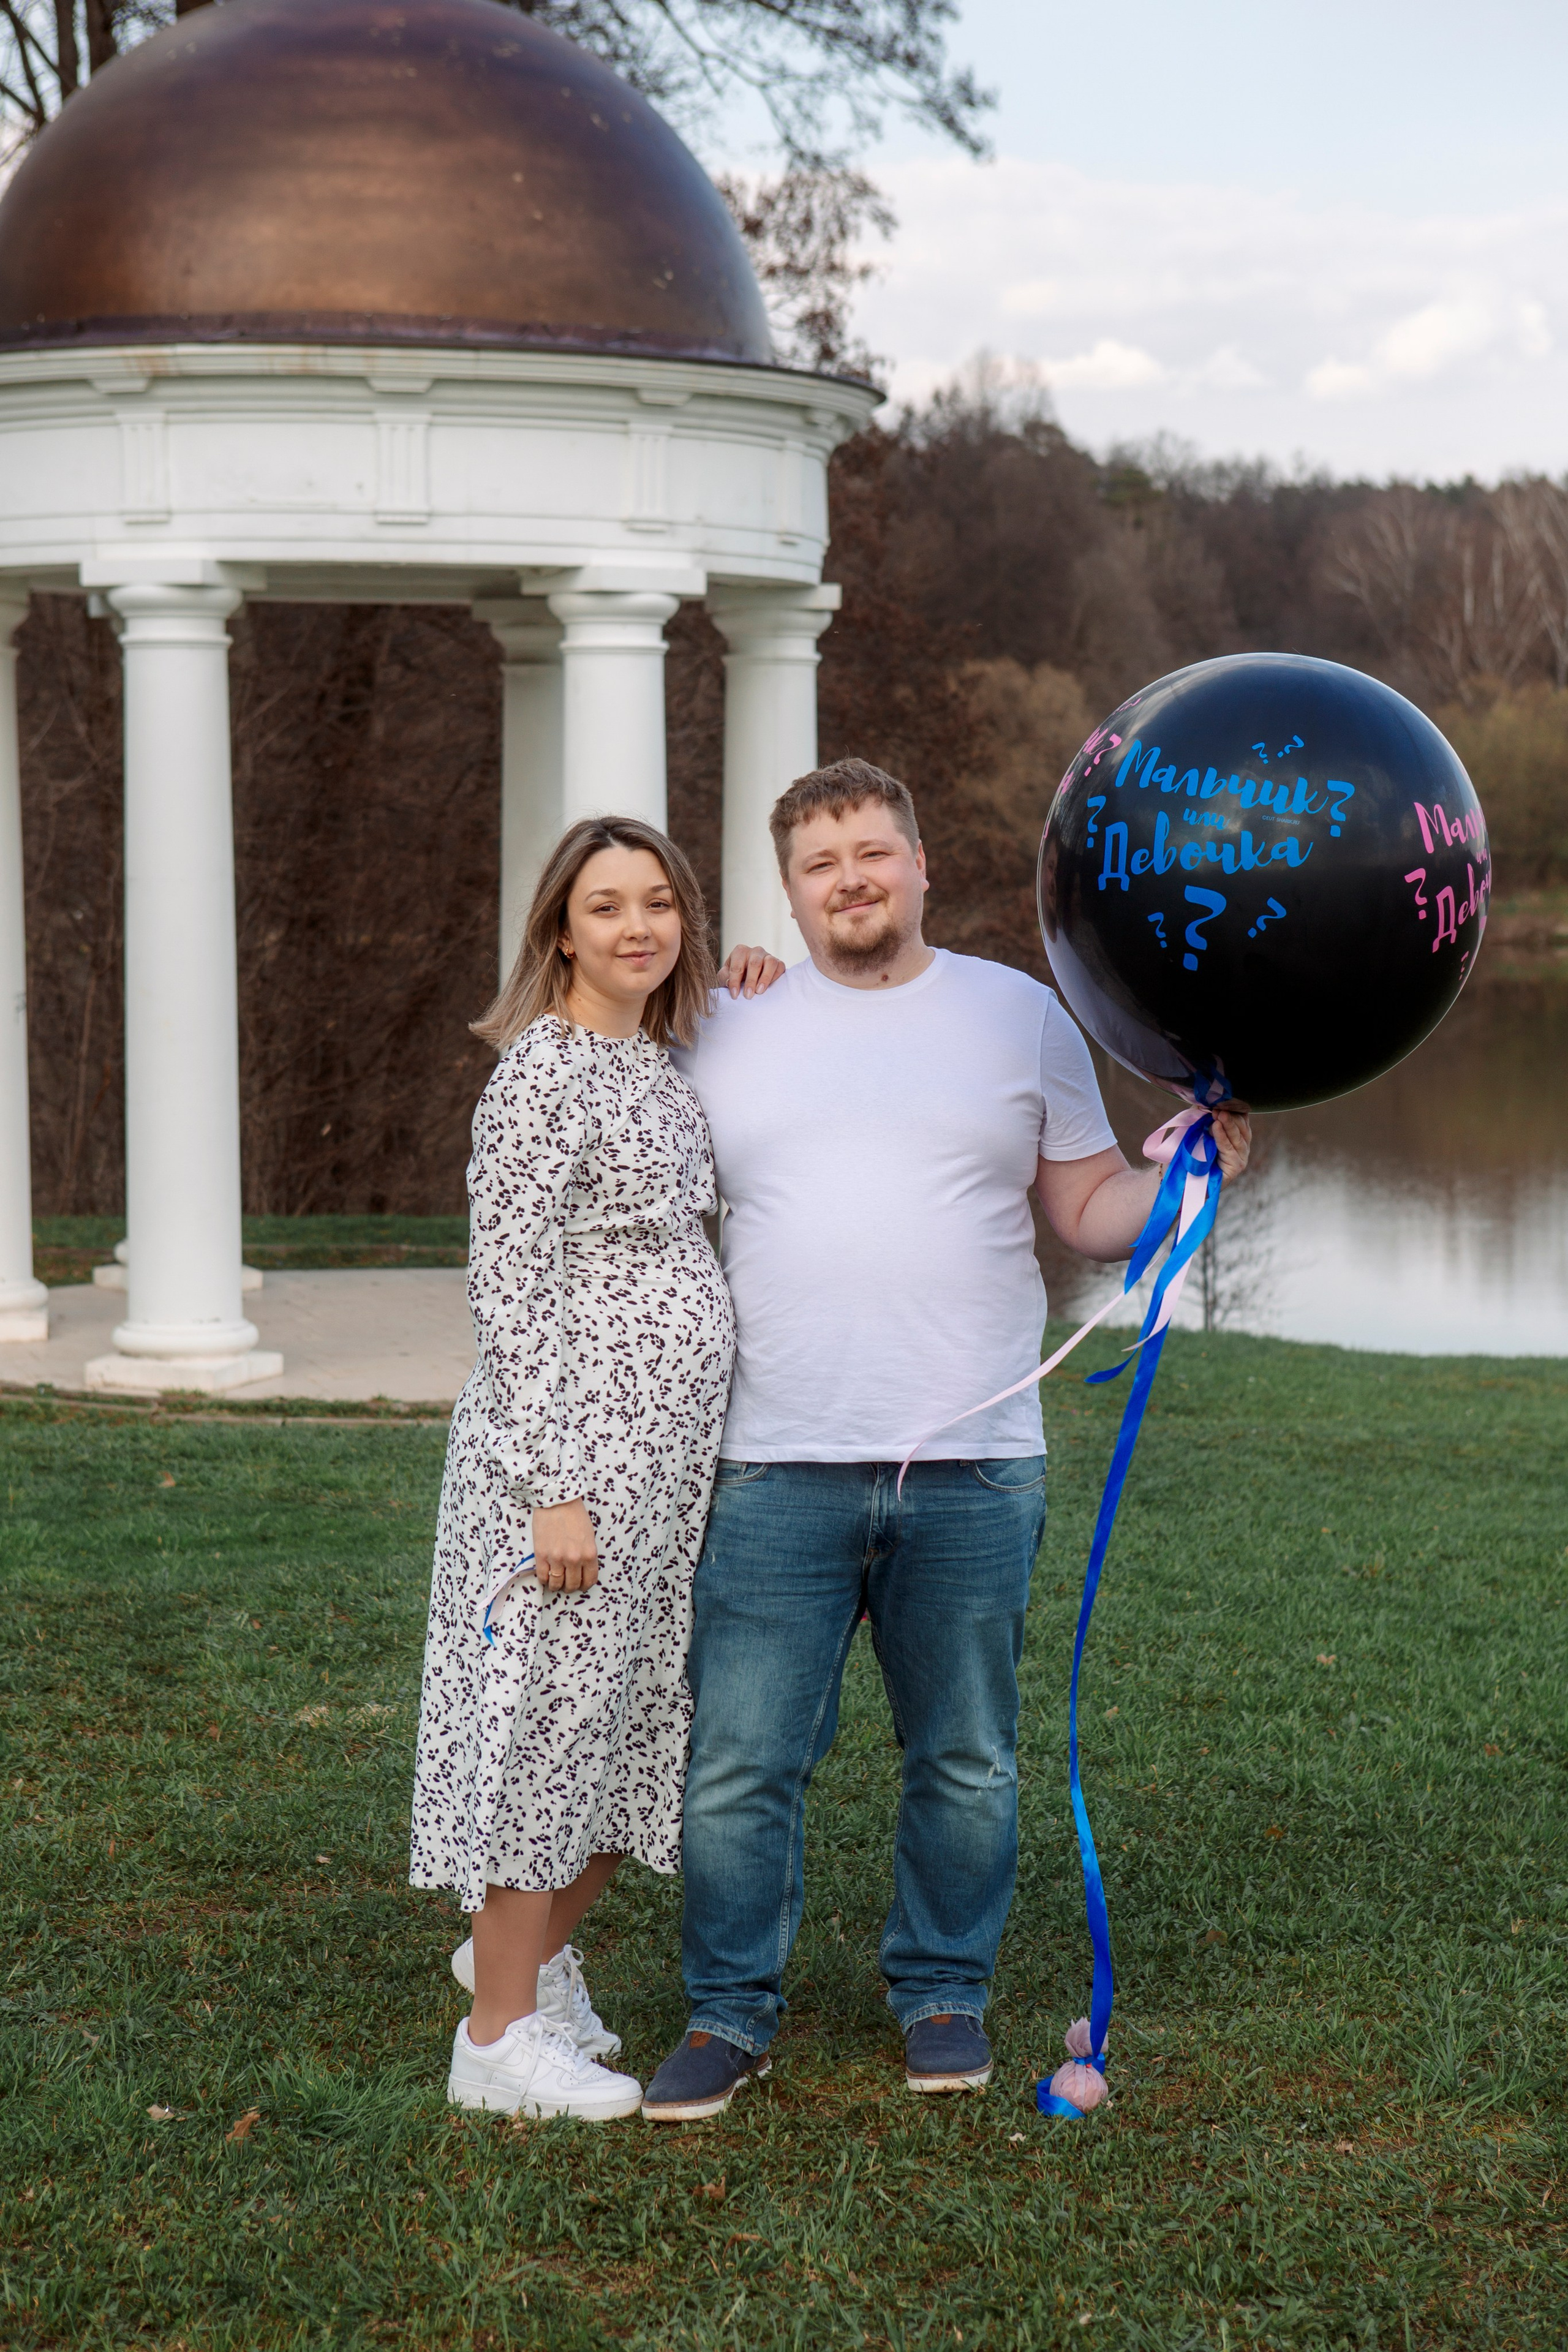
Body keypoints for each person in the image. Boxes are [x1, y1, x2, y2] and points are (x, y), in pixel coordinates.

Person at [640, 758, 1251, 2120]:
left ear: (919, 865)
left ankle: (939, 1992)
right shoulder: (719, 1025)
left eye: (873, 852)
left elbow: (1085, 1206)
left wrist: (1181, 1178)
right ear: (787, 892)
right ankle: (727, 2014)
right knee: (742, 1761)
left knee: (964, 1754)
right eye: (820, 863)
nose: (850, 879)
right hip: (771, 1461)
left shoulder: (1019, 1014)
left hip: (975, 1463)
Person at [410, 815, 736, 2122]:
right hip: (568, 1471)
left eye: (658, 903)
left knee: (629, 1741)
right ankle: (494, 2044)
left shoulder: (657, 1061)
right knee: (546, 1734)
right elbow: (510, 1281)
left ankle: (523, 1967)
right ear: (559, 928)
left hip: (662, 1471)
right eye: (606, 907)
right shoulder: (541, 1073)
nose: (637, 928)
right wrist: (555, 1484)